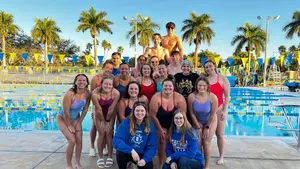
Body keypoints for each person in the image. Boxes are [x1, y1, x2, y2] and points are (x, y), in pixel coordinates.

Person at [149, 76, 187, 168]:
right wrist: (159, 129)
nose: (168, 88)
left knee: (174, 139)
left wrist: (173, 129)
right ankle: (161, 162)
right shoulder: (156, 97)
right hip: (159, 123)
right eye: (165, 86)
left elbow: (182, 117)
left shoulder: (179, 98)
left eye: (170, 86)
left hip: (175, 124)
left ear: (173, 87)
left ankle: (175, 160)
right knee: (162, 139)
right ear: (162, 87)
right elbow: (152, 115)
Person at [56, 74, 91, 169]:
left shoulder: (87, 93)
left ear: (87, 82)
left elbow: (85, 109)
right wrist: (69, 125)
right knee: (72, 140)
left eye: (84, 80)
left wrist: (79, 122)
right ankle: (68, 164)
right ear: (75, 82)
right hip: (63, 118)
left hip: (76, 118)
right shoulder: (70, 94)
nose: (82, 82)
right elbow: (66, 112)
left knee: (79, 141)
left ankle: (77, 163)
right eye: (79, 80)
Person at [113, 102, 158, 169]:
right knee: (120, 152)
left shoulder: (150, 125)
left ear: (146, 112)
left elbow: (152, 146)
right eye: (137, 110)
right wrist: (131, 150)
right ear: (133, 111)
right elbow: (116, 141)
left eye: (142, 111)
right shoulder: (126, 123)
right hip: (129, 152)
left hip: (142, 154)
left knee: (148, 166)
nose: (140, 113)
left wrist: (145, 159)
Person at [188, 76, 218, 169]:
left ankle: (207, 166)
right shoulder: (191, 97)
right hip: (198, 120)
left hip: (210, 121)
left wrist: (207, 128)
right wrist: (197, 125)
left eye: (204, 86)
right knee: (198, 142)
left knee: (206, 142)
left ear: (207, 86)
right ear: (196, 86)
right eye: (199, 85)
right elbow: (191, 113)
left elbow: (213, 115)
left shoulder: (212, 97)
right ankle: (199, 163)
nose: (201, 87)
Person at [204, 60, 230, 165]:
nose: (208, 68)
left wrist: (225, 110)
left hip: (219, 110)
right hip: (208, 112)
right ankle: (204, 157)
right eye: (206, 67)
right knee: (206, 136)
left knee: (220, 134)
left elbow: (227, 96)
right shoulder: (204, 80)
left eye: (210, 66)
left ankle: (221, 156)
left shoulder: (223, 78)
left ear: (214, 66)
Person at [91, 76, 120, 168]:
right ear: (101, 84)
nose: (108, 86)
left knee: (109, 133)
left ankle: (110, 156)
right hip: (98, 113)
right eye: (106, 84)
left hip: (110, 114)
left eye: (110, 84)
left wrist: (108, 120)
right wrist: (102, 121)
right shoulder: (95, 93)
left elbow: (112, 108)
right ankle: (100, 157)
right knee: (101, 133)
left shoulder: (116, 93)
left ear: (112, 85)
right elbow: (98, 109)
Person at [89, 60, 114, 157]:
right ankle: (92, 146)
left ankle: (103, 146)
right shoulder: (96, 79)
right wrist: (93, 109)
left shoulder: (112, 79)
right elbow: (92, 94)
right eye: (107, 67)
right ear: (103, 68)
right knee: (95, 126)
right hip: (97, 106)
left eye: (111, 68)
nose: (109, 70)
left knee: (106, 127)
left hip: (107, 106)